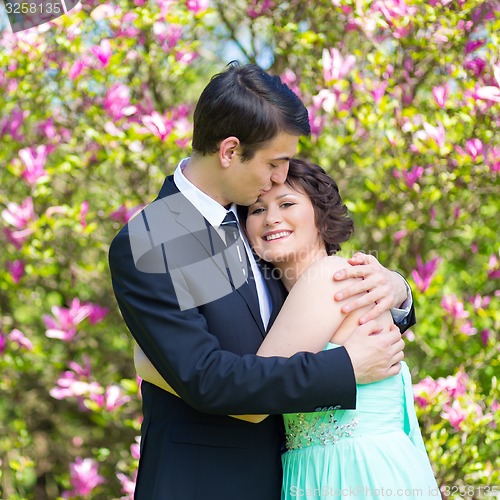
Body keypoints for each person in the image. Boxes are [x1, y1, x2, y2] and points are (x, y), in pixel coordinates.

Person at [109, 62, 415, 500]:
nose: (279, 178)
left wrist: (397, 288)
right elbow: (208, 379)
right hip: (207, 484)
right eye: (275, 162)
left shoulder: (256, 217)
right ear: (230, 151)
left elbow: (318, 300)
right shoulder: (158, 236)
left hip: (299, 477)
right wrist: (345, 367)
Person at [136, 158, 438, 499]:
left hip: (350, 475)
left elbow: (253, 397)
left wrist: (156, 366)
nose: (271, 218)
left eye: (287, 204)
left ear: (322, 217)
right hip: (308, 473)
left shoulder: (329, 279)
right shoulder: (285, 293)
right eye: (256, 210)